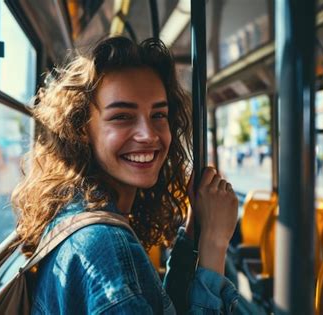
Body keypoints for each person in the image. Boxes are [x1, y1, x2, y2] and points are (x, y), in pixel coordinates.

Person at [12, 36, 239, 314]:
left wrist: (194, 233)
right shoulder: (103, 247)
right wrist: (215, 243)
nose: (148, 134)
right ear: (81, 129)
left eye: (159, 115)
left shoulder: (80, 212)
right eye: (122, 116)